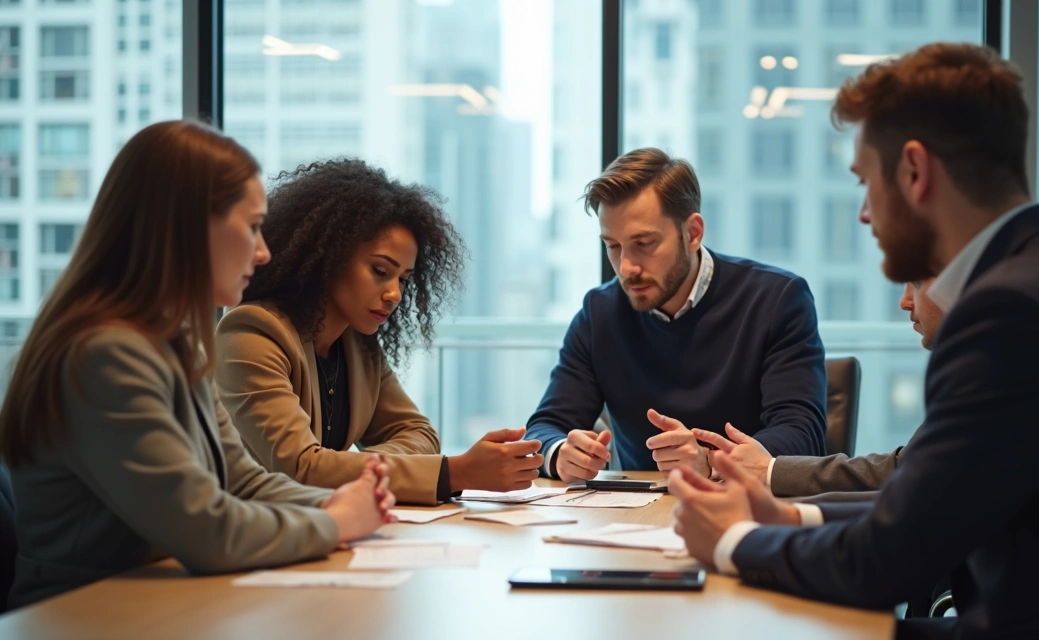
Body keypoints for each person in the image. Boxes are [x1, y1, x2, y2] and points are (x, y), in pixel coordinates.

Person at [669, 43, 1039, 638]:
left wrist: (737, 541)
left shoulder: (1012, 314)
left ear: (913, 170)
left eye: (865, 182)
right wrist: (789, 515)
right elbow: (927, 504)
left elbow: (890, 563)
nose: (863, 214)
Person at [0, 121, 394, 609]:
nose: (265, 251)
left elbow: (242, 481)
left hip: (159, 605)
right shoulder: (103, 354)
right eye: (251, 227)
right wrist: (336, 523)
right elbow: (207, 529)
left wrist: (348, 502)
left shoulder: (173, 343)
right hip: (84, 613)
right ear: (185, 227)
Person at [216, 159, 543, 505]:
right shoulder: (252, 333)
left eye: (402, 278)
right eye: (380, 270)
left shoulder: (357, 344)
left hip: (329, 527)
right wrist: (456, 472)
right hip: (254, 538)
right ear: (327, 256)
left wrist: (352, 467)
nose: (395, 294)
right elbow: (301, 467)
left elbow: (420, 434)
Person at [701, 283, 1039, 501]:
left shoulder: (1027, 343)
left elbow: (914, 480)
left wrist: (771, 491)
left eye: (913, 282)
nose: (903, 302)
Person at [524, 148, 828, 483]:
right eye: (613, 246)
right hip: (631, 519)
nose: (626, 267)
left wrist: (709, 462)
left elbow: (803, 436)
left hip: (745, 513)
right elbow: (544, 428)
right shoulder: (600, 312)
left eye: (644, 243)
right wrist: (560, 454)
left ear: (693, 233)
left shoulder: (776, 300)